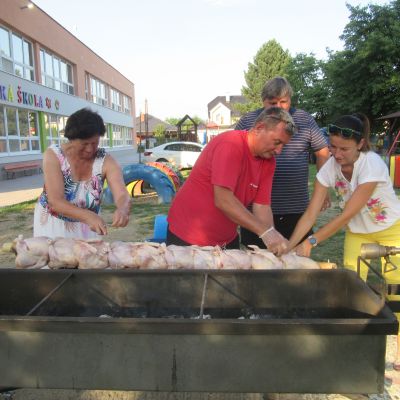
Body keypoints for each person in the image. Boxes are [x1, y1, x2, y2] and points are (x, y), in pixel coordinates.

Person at [285, 113, 400, 369]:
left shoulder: (372, 164)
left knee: (396, 292)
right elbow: (311, 212)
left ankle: (398, 355)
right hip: (358, 233)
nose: (337, 154)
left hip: (392, 229)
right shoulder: (329, 169)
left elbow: (348, 212)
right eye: (333, 147)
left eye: (344, 149)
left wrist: (311, 242)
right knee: (351, 288)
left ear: (360, 143)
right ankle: (354, 347)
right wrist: (292, 244)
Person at [166, 107, 295, 253]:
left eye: (283, 145)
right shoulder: (230, 144)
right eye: (277, 142)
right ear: (259, 128)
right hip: (188, 236)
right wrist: (265, 232)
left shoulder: (268, 161)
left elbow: (262, 207)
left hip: (225, 239)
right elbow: (223, 200)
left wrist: (273, 239)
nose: (279, 151)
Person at [236, 76, 330, 246]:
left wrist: (322, 188)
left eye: (283, 102)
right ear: (263, 101)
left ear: (290, 100)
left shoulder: (304, 119)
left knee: (296, 260)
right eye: (272, 103)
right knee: (259, 261)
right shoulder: (249, 120)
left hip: (295, 205)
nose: (279, 107)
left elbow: (322, 152)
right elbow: (237, 152)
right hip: (255, 207)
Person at [34, 108, 131, 239]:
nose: (90, 149)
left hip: (90, 226)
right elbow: (55, 201)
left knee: (89, 257)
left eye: (94, 143)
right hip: (53, 224)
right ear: (71, 139)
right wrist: (87, 216)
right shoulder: (54, 156)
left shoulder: (105, 161)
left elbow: (121, 193)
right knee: (55, 257)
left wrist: (123, 209)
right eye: (84, 144)